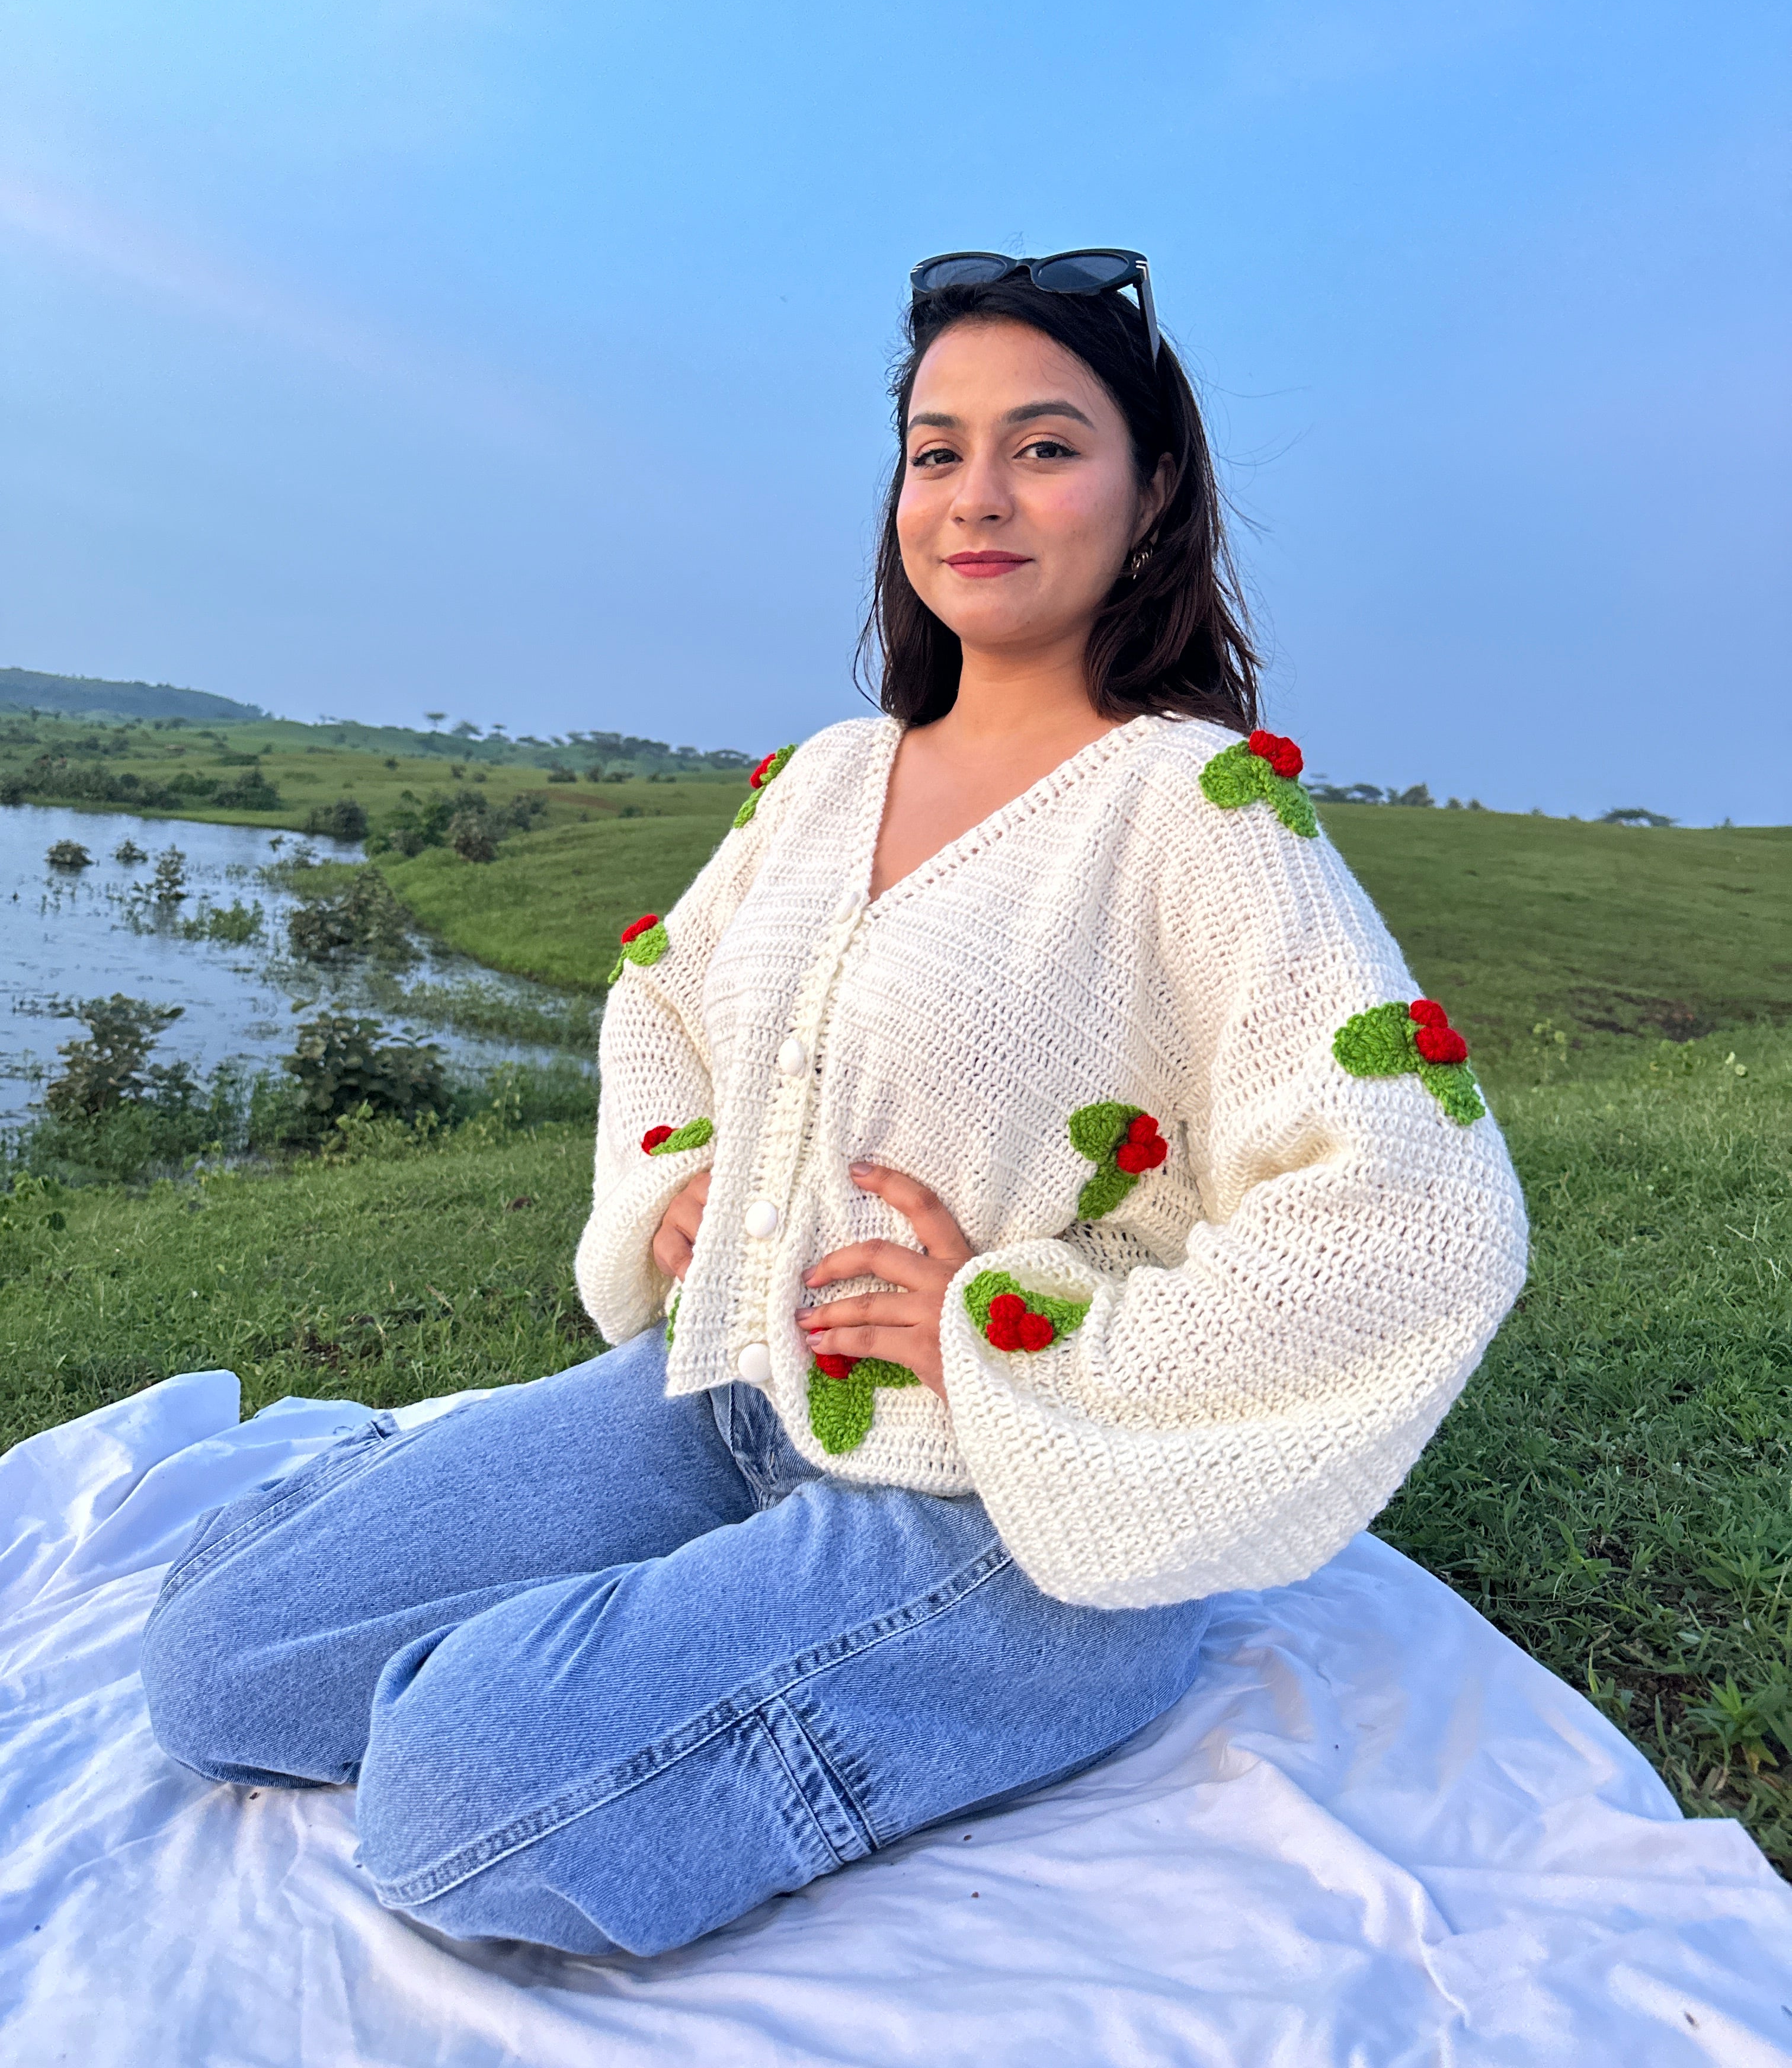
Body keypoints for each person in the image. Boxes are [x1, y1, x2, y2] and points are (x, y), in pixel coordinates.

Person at [140, 250, 1527, 1958]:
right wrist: (674, 1189)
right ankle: (659, 1622)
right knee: (222, 1663)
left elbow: (1422, 1209)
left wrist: (1016, 1331)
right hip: (735, 1391)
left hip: (1015, 1508)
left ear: (1153, 490)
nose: (978, 497)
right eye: (937, 452)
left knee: (456, 1794)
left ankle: (825, 1678)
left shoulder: (1199, 810)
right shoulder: (822, 779)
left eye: (1044, 445)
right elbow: (663, 993)